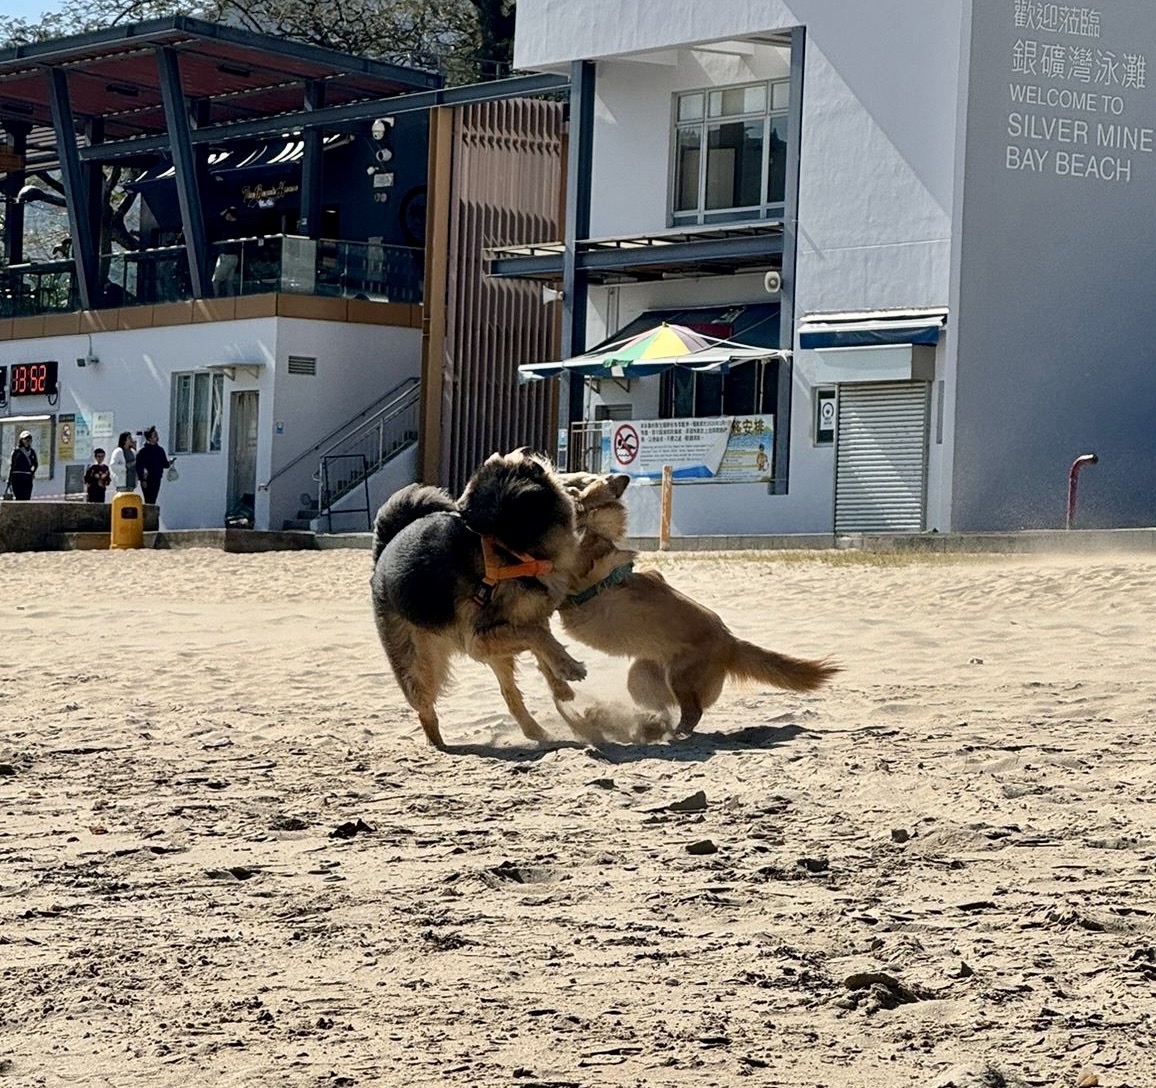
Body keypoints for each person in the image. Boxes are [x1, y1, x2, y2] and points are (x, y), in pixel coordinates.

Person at [136, 425, 175, 506]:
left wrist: (170, 462)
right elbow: (139, 467)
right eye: (155, 435)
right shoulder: (143, 451)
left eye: (157, 435)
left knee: (153, 499)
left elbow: (164, 464)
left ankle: (151, 513)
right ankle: (148, 513)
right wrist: (142, 480)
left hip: (156, 478)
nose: (157, 437)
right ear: (149, 438)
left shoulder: (160, 450)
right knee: (148, 500)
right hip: (147, 480)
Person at [6, 430, 38, 501]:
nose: (27, 441)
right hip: (17, 476)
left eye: (29, 439)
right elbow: (12, 465)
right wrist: (9, 479)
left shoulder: (32, 452)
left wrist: (32, 472)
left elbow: (36, 464)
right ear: (21, 440)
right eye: (25, 439)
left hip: (27, 477)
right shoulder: (17, 451)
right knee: (19, 497)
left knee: (27, 497)